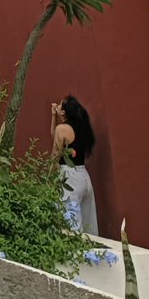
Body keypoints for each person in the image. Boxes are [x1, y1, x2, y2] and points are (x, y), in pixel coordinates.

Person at [51, 94, 98, 235]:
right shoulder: (81, 127)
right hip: (83, 177)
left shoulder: (62, 129)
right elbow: (56, 136)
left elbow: (55, 155)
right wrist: (54, 117)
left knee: (70, 229)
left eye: (59, 105)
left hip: (69, 177)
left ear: (63, 111)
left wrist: (49, 176)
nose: (57, 106)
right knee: (89, 227)